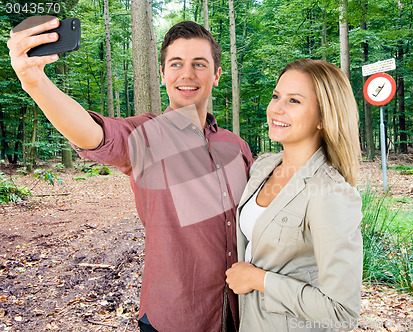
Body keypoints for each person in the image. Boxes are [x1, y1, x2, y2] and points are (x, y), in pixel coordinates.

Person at [8, 17, 252, 332]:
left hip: (240, 313)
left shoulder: (237, 146)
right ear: (163, 74)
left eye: (199, 64)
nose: (187, 74)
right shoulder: (146, 136)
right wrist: (34, 82)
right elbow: (92, 134)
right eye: (176, 64)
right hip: (174, 317)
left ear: (217, 75)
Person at [225, 59, 363, 331]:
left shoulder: (331, 193)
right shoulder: (263, 168)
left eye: (294, 101)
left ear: (324, 117)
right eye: (277, 96)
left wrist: (259, 280)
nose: (276, 108)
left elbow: (342, 312)